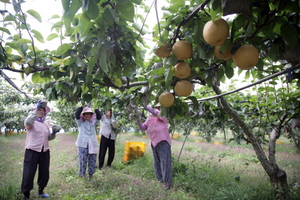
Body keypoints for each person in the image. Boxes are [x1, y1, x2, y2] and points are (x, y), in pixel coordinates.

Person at [21, 100, 61, 200]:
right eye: (40, 109)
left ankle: (41, 190)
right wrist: (35, 110)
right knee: (29, 172)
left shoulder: (45, 124)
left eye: (43, 110)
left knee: (44, 172)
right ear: (35, 109)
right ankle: (26, 194)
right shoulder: (31, 121)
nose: (42, 111)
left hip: (44, 151)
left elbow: (48, 138)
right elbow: (28, 123)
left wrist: (54, 133)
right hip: (32, 150)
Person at [136, 105, 172, 189]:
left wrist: (144, 105)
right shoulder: (150, 118)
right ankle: (160, 182)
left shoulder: (163, 115)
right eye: (156, 107)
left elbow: (155, 112)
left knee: (165, 164)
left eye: (158, 107)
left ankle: (167, 185)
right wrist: (138, 119)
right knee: (157, 163)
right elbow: (143, 127)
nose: (157, 108)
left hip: (163, 141)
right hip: (154, 142)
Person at [75, 106, 102, 179]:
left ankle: (91, 174)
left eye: (89, 114)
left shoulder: (93, 122)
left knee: (92, 159)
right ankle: (82, 174)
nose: (88, 115)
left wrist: (96, 108)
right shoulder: (80, 122)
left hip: (92, 143)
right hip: (82, 143)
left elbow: (99, 116)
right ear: (83, 115)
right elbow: (77, 115)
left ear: (91, 115)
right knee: (82, 159)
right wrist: (81, 107)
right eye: (86, 114)